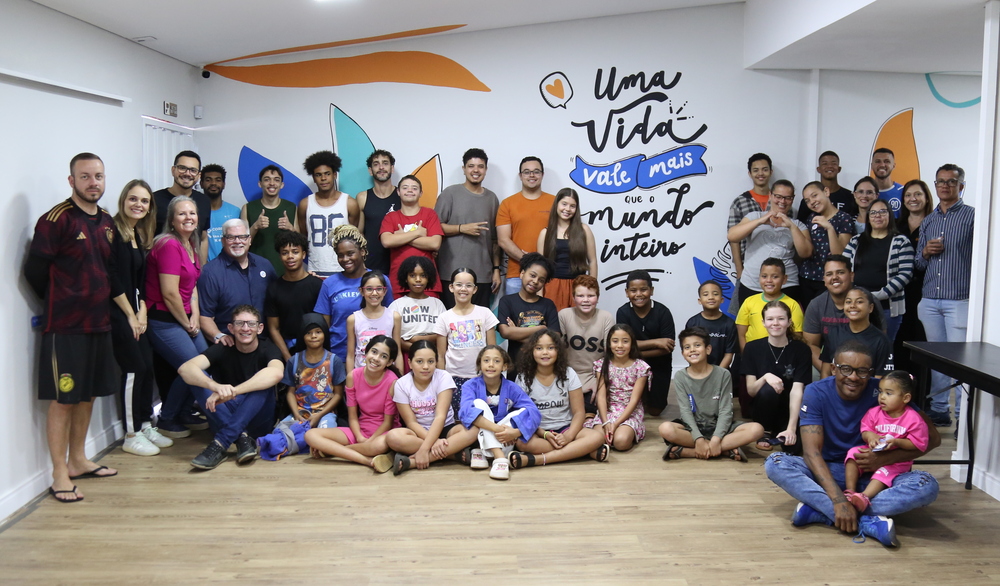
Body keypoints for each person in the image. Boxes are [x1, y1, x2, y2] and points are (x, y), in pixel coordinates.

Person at [764, 340, 940, 548]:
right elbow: (811, 453)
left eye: (862, 371)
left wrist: (883, 459)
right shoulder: (816, 392)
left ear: (871, 372)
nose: (854, 377)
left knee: (927, 485)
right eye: (846, 369)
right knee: (776, 462)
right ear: (833, 369)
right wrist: (839, 501)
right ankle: (863, 519)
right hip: (830, 472)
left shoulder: (885, 391)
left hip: (879, 476)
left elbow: (933, 439)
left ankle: (821, 509)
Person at [24, 153, 119, 501]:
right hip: (65, 328)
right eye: (85, 176)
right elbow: (34, 272)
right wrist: (63, 300)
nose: (93, 182)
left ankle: (78, 459)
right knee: (64, 399)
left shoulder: (107, 221)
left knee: (87, 395)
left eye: (98, 176)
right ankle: (59, 472)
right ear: (72, 181)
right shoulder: (55, 220)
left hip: (100, 324)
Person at [178, 305, 284, 470]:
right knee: (198, 380)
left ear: (260, 328)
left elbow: (276, 374)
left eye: (251, 324)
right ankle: (242, 439)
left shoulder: (268, 348)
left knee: (264, 383)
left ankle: (221, 443)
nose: (245, 328)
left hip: (257, 420)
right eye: (240, 323)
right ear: (231, 328)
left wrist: (232, 391)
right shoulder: (223, 347)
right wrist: (214, 386)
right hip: (225, 415)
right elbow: (185, 369)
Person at [109, 179, 171, 456]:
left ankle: (145, 424)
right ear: (123, 200)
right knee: (134, 370)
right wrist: (130, 315)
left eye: (144, 201)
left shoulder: (138, 235)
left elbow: (140, 281)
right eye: (133, 199)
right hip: (119, 313)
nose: (138, 204)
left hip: (136, 313)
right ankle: (131, 434)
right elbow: (112, 279)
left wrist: (142, 311)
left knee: (147, 367)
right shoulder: (113, 233)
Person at [144, 195, 209, 439]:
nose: (188, 217)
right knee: (194, 369)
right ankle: (168, 418)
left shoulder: (190, 243)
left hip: (185, 318)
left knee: (205, 362)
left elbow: (192, 286)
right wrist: (187, 323)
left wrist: (196, 315)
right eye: (182, 213)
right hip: (164, 320)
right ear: (171, 220)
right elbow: (170, 294)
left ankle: (181, 412)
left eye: (192, 213)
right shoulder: (168, 244)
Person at [915, 164, 974, 427]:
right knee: (937, 360)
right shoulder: (929, 220)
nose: (945, 186)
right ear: (935, 185)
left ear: (961, 186)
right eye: (941, 181)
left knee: (961, 362)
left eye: (951, 181)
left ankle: (962, 415)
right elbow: (918, 264)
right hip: (930, 299)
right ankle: (939, 410)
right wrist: (925, 252)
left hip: (959, 299)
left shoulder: (973, 217)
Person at [659, 328, 763, 461]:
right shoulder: (680, 376)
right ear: (683, 353)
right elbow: (685, 411)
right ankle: (725, 451)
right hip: (693, 427)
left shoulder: (723, 374)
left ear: (708, 349)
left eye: (697, 345)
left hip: (720, 426)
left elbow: (726, 410)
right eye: (687, 347)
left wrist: (716, 439)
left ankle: (688, 452)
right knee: (665, 429)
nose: (692, 350)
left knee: (757, 429)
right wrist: (698, 438)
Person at [510, 330, 609, 467]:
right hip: (538, 431)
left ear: (558, 351)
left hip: (566, 428)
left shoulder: (569, 373)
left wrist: (568, 436)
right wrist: (544, 434)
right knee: (522, 443)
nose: (545, 352)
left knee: (597, 437)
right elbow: (523, 416)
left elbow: (579, 412)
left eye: (551, 348)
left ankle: (536, 459)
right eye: (539, 348)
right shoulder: (523, 378)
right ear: (531, 351)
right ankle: (580, 451)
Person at [303, 336, 399, 473]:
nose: (376, 358)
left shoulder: (392, 381)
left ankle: (335, 452)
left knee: (379, 446)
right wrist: (359, 437)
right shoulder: (353, 376)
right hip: (360, 429)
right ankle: (367, 460)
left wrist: (370, 441)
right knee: (310, 435)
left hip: (383, 432)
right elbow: (353, 416)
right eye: (374, 352)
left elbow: (388, 423)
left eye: (383, 356)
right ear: (366, 352)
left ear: (389, 362)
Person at [386, 341, 481, 475]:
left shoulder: (443, 377)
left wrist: (425, 449)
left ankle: (413, 462)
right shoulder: (401, 384)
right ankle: (452, 454)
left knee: (474, 429)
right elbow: (411, 422)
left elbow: (440, 416)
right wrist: (433, 442)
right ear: (410, 363)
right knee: (393, 437)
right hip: (419, 433)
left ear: (436, 362)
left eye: (430, 361)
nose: (425, 366)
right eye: (419, 361)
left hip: (445, 428)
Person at [843, 371, 929, 513]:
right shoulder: (874, 412)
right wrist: (871, 437)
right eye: (880, 392)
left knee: (883, 473)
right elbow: (865, 430)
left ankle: (864, 497)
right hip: (873, 452)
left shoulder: (914, 419)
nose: (882, 397)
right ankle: (850, 492)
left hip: (896, 462)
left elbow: (917, 444)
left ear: (906, 398)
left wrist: (897, 442)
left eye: (889, 393)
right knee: (853, 453)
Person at [459, 346, 542, 478]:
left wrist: (515, 432)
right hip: (481, 436)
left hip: (506, 440)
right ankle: (499, 459)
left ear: (504, 366)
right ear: (480, 364)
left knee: (524, 411)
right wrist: (497, 428)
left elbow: (533, 412)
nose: (491, 365)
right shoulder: (470, 386)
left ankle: (480, 452)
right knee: (478, 404)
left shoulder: (512, 387)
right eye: (486, 360)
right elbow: (465, 412)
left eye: (496, 361)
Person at [313, 225, 393, 363]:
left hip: (375, 357)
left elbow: (389, 316)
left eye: (350, 253)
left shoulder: (380, 280)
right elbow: (324, 326)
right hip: (340, 356)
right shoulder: (329, 284)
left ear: (362, 252)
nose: (345, 259)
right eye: (340, 255)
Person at [728, 180, 812, 306]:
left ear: (792, 199)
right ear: (770, 195)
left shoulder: (798, 225)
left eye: (787, 198)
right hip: (752, 284)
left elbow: (806, 253)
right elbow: (732, 236)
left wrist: (791, 226)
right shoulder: (754, 216)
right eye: (778, 196)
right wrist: (760, 221)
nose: (782, 201)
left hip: (786, 285)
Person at [434, 148, 500, 308]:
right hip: (451, 274)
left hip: (482, 275)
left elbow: (494, 240)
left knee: (479, 321)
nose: (476, 170)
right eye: (471, 166)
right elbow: (434, 229)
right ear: (464, 169)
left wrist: (496, 269)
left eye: (480, 166)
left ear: (485, 170)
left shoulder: (492, 198)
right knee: (452, 319)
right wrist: (461, 228)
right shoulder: (450, 193)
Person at [742, 300, 811, 452]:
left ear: (789, 322)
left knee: (794, 449)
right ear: (763, 322)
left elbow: (797, 390)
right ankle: (764, 431)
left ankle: (785, 429)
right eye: (770, 319)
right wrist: (766, 376)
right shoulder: (752, 347)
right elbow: (751, 390)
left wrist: (791, 428)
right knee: (768, 389)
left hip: (790, 409)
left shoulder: (802, 349)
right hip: (763, 408)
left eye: (781, 318)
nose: (775, 323)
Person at [843, 198, 913, 341]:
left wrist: (880, 295)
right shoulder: (856, 241)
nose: (878, 216)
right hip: (857, 306)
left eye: (882, 212)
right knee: (857, 347)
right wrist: (855, 297)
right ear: (868, 217)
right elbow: (844, 268)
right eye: (873, 213)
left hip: (887, 307)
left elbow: (905, 274)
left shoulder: (900, 241)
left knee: (883, 348)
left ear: (890, 215)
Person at [198, 218, 276, 347]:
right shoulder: (210, 273)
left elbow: (279, 299)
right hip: (230, 346)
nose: (237, 241)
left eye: (242, 237)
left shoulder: (264, 265)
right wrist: (219, 335)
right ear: (223, 241)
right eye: (231, 237)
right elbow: (205, 316)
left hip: (264, 343)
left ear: (249, 240)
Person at [433, 268, 499, 416]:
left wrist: (491, 377)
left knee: (484, 417)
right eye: (459, 285)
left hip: (481, 377)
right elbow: (441, 355)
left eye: (468, 285)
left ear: (475, 289)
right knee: (459, 418)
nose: (463, 289)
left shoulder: (485, 313)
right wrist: (443, 382)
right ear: (451, 287)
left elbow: (492, 350)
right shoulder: (444, 317)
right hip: (454, 379)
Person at [615, 270, 674, 416]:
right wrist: (656, 342)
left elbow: (667, 347)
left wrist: (635, 351)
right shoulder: (623, 312)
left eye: (643, 289)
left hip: (660, 364)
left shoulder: (663, 312)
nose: (639, 294)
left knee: (655, 411)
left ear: (651, 290)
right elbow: (624, 343)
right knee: (630, 406)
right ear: (626, 292)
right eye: (633, 290)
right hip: (632, 364)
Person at [497, 156, 555, 296]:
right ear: (520, 175)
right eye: (527, 172)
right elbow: (503, 240)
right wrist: (528, 261)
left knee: (550, 311)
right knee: (516, 311)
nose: (532, 175)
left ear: (542, 175)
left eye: (536, 171)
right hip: (517, 275)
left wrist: (542, 265)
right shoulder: (507, 204)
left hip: (550, 274)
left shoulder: (555, 202)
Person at [586, 324, 650, 451]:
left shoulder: (641, 367)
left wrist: (616, 424)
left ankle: (629, 431)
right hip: (608, 411)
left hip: (629, 413)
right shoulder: (601, 365)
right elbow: (601, 397)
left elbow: (634, 401)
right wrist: (606, 422)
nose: (620, 345)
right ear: (609, 344)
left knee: (621, 442)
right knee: (597, 438)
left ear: (632, 343)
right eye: (615, 341)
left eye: (625, 341)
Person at [379, 174, 443, 299]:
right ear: (398, 192)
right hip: (398, 282)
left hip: (428, 282)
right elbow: (387, 241)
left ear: (420, 193)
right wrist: (418, 233)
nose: (409, 190)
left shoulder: (430, 214)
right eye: (405, 187)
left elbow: (435, 244)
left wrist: (400, 237)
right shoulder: (390, 217)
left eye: (414, 188)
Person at [893, 179, 934, 373]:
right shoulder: (896, 226)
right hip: (899, 293)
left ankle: (922, 388)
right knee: (900, 342)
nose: (913, 199)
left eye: (918, 194)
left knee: (922, 342)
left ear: (927, 198)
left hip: (925, 292)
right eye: (908, 195)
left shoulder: (934, 223)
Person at [264, 230, 323, 362]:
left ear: (303, 254)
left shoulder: (317, 285)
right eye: (285, 253)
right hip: (286, 350)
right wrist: (288, 358)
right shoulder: (274, 288)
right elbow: (274, 328)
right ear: (280, 256)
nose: (290, 256)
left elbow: (324, 323)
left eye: (295, 252)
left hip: (315, 349)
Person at [559, 275, 615, 412]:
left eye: (591, 296)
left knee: (591, 408)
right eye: (580, 296)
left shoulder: (606, 317)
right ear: (573, 297)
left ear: (598, 297)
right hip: (567, 376)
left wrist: (601, 382)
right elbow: (557, 352)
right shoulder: (564, 315)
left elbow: (610, 356)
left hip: (593, 377)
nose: (585, 300)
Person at [299, 150, 360, 277]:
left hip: (343, 269)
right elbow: (304, 235)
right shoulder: (305, 204)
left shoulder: (350, 203)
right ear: (313, 178)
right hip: (315, 270)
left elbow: (353, 237)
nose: (323, 178)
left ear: (335, 175)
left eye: (327, 174)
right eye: (318, 175)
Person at [497, 252, 560, 374]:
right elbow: (505, 332)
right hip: (515, 368)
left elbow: (554, 339)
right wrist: (541, 329)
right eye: (532, 275)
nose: (535, 281)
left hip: (542, 369)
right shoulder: (507, 301)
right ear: (522, 273)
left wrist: (517, 333)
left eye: (541, 280)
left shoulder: (548, 304)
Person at [537, 187, 598, 311]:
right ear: (557, 204)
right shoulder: (545, 233)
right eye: (564, 204)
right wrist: (539, 294)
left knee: (578, 322)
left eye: (572, 206)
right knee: (553, 322)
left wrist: (592, 289)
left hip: (579, 286)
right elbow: (540, 267)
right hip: (552, 286)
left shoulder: (584, 230)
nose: (567, 209)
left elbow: (592, 261)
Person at [282, 313, 344, 430]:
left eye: (318, 332)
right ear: (302, 335)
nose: (313, 336)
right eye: (308, 333)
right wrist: (296, 414)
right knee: (279, 433)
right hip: (300, 412)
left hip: (325, 413)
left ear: (325, 333)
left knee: (324, 434)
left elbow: (338, 394)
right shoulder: (293, 361)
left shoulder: (334, 361)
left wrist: (318, 416)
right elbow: (290, 392)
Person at [798, 181, 855, 306]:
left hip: (829, 279)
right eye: (807, 200)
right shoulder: (811, 218)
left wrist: (829, 228)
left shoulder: (844, 218)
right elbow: (807, 250)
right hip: (806, 277)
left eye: (814, 195)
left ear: (826, 192)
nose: (812, 202)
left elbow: (840, 255)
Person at [820, 287, 892, 378]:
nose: (852, 305)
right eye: (848, 302)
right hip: (836, 386)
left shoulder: (881, 340)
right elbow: (825, 372)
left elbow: (880, 378)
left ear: (870, 308)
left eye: (859, 302)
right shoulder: (833, 333)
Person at [153, 150, 211, 263]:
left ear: (199, 175)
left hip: (191, 268)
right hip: (161, 266)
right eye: (182, 168)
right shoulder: (154, 200)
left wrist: (201, 268)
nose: (187, 173)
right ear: (173, 170)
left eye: (193, 170)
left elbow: (203, 238)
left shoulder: (204, 201)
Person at [735, 257, 805, 351]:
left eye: (775, 277)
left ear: (784, 279)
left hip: (782, 354)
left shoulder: (792, 305)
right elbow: (741, 334)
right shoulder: (749, 301)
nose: (769, 280)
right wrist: (747, 354)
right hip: (753, 354)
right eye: (764, 276)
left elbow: (797, 336)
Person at [727, 153, 773, 291]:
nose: (761, 174)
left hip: (776, 268)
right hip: (748, 267)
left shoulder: (780, 200)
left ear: (771, 172)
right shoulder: (740, 202)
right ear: (750, 174)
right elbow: (733, 239)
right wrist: (739, 271)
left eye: (765, 169)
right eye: (756, 170)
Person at [242, 165, 297, 277]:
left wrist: (290, 228)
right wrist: (255, 226)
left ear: (282, 185)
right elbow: (242, 243)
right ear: (260, 184)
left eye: (276, 180)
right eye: (267, 179)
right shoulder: (248, 208)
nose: (272, 183)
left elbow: (300, 243)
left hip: (285, 270)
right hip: (255, 269)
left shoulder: (291, 207)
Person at [388, 256, 446, 360]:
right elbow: (393, 336)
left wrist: (418, 339)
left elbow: (444, 334)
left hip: (433, 354)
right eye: (412, 275)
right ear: (405, 278)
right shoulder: (397, 304)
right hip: (406, 355)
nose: (418, 279)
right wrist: (416, 349)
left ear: (429, 278)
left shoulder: (437, 303)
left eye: (423, 275)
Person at [803, 255, 854, 371]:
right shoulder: (816, 305)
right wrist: (830, 372)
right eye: (829, 274)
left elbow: (877, 343)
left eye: (840, 272)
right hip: (827, 364)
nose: (835, 277)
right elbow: (811, 345)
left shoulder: (867, 302)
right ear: (824, 280)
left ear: (851, 276)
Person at [346, 271, 402, 372]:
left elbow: (397, 353)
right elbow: (350, 355)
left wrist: (399, 378)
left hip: (386, 374)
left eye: (379, 289)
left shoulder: (394, 317)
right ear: (361, 291)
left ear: (385, 291)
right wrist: (350, 379)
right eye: (369, 289)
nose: (374, 293)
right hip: (361, 374)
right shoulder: (353, 319)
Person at [356, 149, 400, 275]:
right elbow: (359, 233)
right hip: (371, 264)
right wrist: (360, 261)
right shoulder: (362, 197)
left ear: (392, 168)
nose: (381, 167)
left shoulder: (402, 196)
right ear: (370, 171)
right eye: (376, 164)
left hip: (398, 262)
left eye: (385, 163)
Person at [686, 280, 737, 370]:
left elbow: (729, 354)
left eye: (715, 294)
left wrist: (718, 374)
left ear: (722, 299)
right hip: (697, 370)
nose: (711, 297)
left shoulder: (729, 324)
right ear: (700, 300)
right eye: (706, 294)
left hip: (721, 372)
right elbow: (689, 351)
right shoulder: (692, 323)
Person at [796, 151, 858, 221]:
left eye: (833, 163)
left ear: (839, 169)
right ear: (818, 169)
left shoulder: (850, 197)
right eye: (825, 163)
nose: (829, 166)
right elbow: (801, 225)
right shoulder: (809, 200)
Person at [201, 164, 241, 263]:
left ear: (224, 184)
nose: (213, 183)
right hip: (204, 268)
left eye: (218, 180)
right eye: (208, 180)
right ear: (201, 184)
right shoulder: (195, 213)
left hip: (231, 267)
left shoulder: (235, 212)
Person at [871, 148, 904, 218]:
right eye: (877, 161)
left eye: (887, 161)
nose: (882, 165)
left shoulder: (904, 192)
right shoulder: (864, 193)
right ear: (872, 166)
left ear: (893, 166)